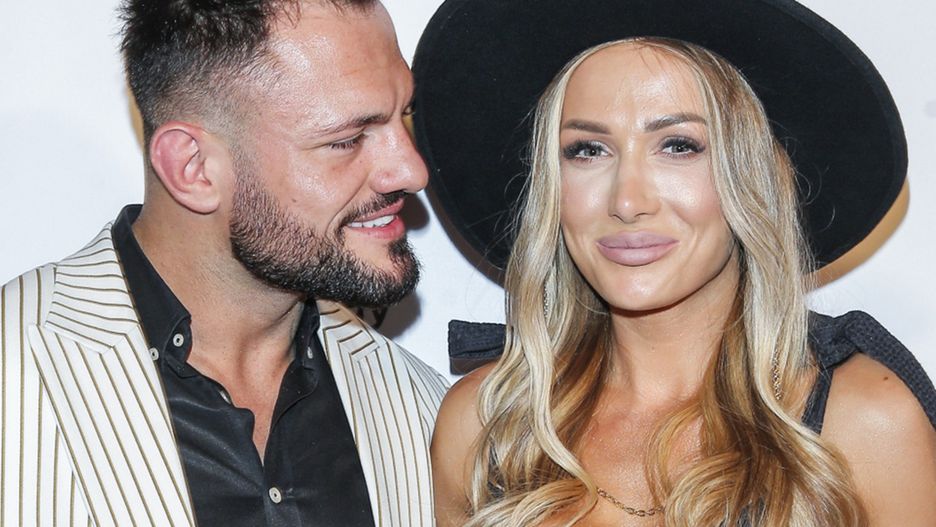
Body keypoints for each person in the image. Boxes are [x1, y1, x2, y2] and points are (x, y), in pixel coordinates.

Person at [411, 0, 936, 525]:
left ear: (754, 176)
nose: (627, 200)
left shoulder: (866, 423)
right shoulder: (486, 428)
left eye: (678, 146)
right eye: (588, 150)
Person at [0, 0, 448, 525]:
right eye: (345, 140)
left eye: (404, 116)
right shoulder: (16, 371)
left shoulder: (424, 410)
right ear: (193, 168)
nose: (412, 171)